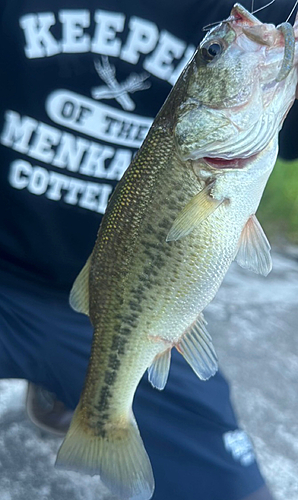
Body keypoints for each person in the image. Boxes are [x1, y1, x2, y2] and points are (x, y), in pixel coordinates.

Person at [0, 1, 296, 499]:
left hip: (119, 312)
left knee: (235, 491)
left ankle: (85, 402)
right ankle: (58, 383)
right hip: (8, 280)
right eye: (215, 52)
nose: (237, 36)